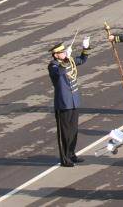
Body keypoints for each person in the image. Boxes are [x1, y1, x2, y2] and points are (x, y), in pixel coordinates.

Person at [48, 38, 90, 166]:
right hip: (64, 103)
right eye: (61, 52)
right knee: (64, 133)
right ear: (56, 55)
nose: (64, 53)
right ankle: (65, 159)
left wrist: (85, 48)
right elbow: (61, 72)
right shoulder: (53, 65)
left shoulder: (68, 61)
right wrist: (67, 59)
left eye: (64, 51)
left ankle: (72, 154)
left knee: (73, 130)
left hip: (74, 101)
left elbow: (82, 60)